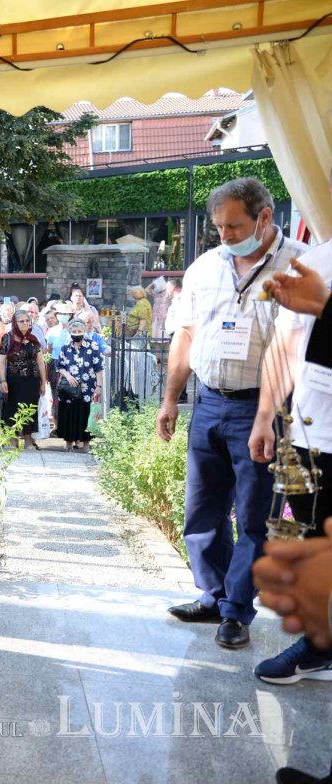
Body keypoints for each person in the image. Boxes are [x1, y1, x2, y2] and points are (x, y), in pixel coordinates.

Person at [157, 177, 305, 650]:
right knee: (202, 510)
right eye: (218, 226)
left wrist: (267, 417)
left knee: (255, 516)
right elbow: (185, 334)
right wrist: (170, 399)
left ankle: (237, 611)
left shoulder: (299, 265)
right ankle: (214, 595)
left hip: (263, 408)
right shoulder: (204, 268)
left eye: (234, 226)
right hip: (208, 402)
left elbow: (294, 351)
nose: (224, 235)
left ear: (265, 217)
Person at [254, 256, 332, 784]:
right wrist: (266, 416)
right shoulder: (319, 254)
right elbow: (286, 342)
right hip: (311, 436)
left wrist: (325, 305)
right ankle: (320, 646)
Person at [0, 309, 49, 450]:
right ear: (15, 323)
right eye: (22, 321)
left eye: (27, 321)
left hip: (32, 381)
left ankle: (28, 439)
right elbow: (1, 361)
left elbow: (40, 363)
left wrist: (43, 383)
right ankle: (12, 439)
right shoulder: (8, 338)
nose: (26, 323)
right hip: (14, 381)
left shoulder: (33, 339)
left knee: (30, 409)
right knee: (12, 409)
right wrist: (3, 380)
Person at [56, 318, 104, 452]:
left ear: (84, 331)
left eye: (79, 331)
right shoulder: (65, 347)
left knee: (85, 413)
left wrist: (99, 386)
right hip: (70, 386)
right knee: (69, 413)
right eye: (74, 331)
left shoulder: (93, 346)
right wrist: (68, 376)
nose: (77, 333)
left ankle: (86, 444)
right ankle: (69, 443)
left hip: (88, 386)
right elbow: (60, 366)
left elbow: (99, 368)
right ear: (69, 332)